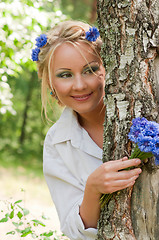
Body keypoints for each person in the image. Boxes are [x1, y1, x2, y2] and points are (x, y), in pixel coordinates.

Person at [31, 20, 142, 240]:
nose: (80, 85)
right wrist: (92, 189)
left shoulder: (143, 106)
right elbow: (76, 232)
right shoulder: (57, 144)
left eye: (90, 70)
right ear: (50, 82)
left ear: (107, 66)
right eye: (65, 75)